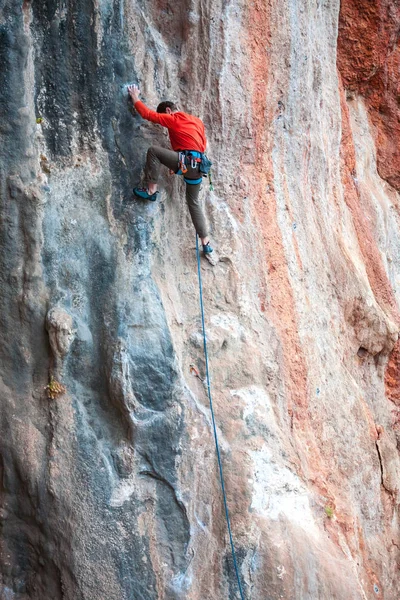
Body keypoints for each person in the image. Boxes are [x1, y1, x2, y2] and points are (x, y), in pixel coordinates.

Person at [128, 85, 213, 257]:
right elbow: (200, 146)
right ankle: (206, 242)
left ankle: (151, 190)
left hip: (186, 162)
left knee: (153, 151)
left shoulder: (174, 118)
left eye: (164, 117)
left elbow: (148, 114)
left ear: (168, 110)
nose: (165, 123)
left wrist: (135, 97)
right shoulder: (197, 122)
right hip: (199, 167)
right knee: (193, 202)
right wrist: (177, 167)